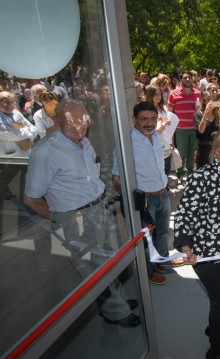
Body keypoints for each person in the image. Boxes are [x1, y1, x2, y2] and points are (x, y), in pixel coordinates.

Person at [24, 100, 138, 327]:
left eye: (82, 120)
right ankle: (116, 313)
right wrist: (59, 219)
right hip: (75, 216)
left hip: (99, 210)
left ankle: (116, 302)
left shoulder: (84, 142)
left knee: (107, 261)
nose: (78, 126)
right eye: (71, 122)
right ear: (57, 123)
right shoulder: (46, 150)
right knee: (93, 270)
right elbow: (32, 199)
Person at [174, 126, 220, 359]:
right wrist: (186, 247)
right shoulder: (202, 177)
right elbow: (185, 213)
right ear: (216, 150)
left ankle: (214, 329)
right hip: (207, 251)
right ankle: (216, 352)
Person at [113, 101, 179, 285]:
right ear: (134, 119)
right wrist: (131, 202)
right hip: (145, 201)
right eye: (144, 119)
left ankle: (162, 261)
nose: (149, 123)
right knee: (146, 240)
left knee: (163, 233)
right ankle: (150, 272)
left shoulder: (155, 137)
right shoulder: (126, 143)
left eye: (152, 119)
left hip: (162, 195)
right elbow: (116, 178)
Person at [167, 71, 202, 182]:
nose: (187, 79)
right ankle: (180, 174)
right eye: (185, 77)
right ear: (181, 79)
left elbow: (199, 110)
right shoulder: (173, 93)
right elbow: (169, 112)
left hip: (193, 128)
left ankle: (190, 173)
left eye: (189, 77)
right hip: (180, 129)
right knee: (181, 153)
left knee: (192, 152)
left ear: (192, 79)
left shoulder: (197, 93)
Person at [146, 85, 179, 183]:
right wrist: (165, 123)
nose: (158, 96)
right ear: (150, 95)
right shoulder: (148, 110)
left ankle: (165, 188)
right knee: (158, 170)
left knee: (167, 168)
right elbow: (157, 129)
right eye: (155, 94)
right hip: (156, 143)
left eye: (160, 94)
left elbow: (170, 125)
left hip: (167, 142)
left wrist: (172, 142)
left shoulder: (163, 107)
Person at [0, 91, 39, 157]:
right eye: (5, 103)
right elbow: (11, 134)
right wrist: (26, 129)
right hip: (9, 157)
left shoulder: (16, 112)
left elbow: (34, 129)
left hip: (26, 152)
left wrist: (25, 130)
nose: (9, 105)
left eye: (12, 102)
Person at [194, 92, 220, 169]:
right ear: (204, 101)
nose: (211, 103)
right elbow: (201, 130)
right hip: (203, 148)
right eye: (208, 100)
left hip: (215, 148)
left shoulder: (218, 115)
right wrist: (205, 114)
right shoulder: (198, 114)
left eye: (213, 100)